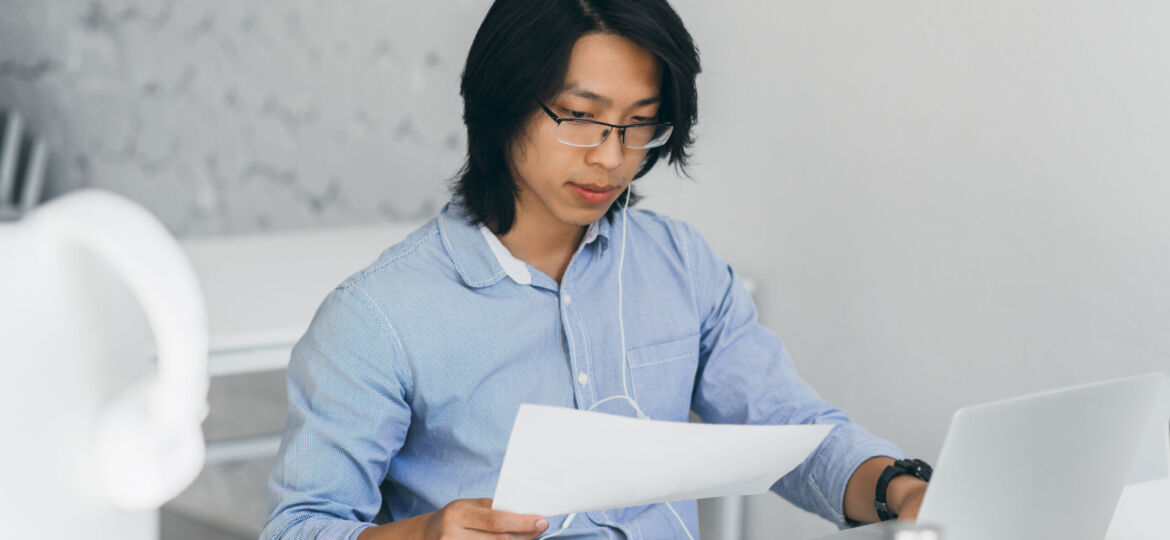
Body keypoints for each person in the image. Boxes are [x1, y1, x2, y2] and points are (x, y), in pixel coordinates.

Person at [262, 1, 929, 539]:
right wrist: (426, 536)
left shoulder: (679, 265)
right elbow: (299, 527)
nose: (613, 158)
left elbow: (790, 429)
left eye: (640, 126)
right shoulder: (379, 317)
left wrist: (901, 488)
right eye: (580, 119)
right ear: (501, 105)